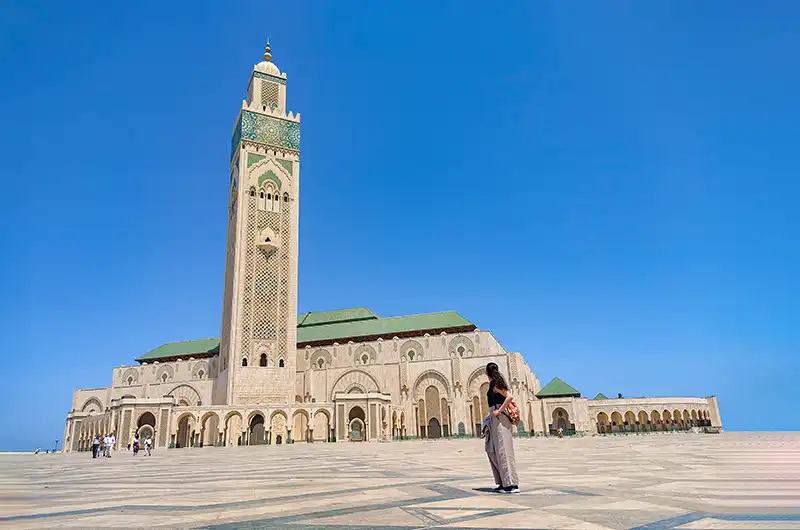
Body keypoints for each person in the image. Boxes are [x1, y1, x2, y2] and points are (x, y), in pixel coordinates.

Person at [484, 362, 519, 493]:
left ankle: (510, 485)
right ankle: (502, 482)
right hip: (494, 419)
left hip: (500, 419)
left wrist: (499, 410)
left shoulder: (495, 384)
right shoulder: (493, 384)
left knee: (504, 450)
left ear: (488, 373)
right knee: (492, 449)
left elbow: (509, 397)